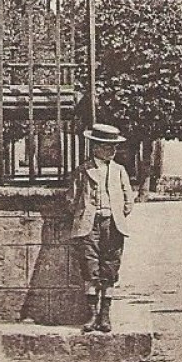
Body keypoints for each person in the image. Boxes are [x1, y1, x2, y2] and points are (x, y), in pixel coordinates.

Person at [68, 122, 134, 333]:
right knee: (90, 269)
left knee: (110, 269)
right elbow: (72, 198)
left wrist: (117, 214)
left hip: (113, 225)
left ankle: (105, 316)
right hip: (89, 225)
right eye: (107, 147)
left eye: (114, 147)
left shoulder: (119, 170)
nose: (112, 151)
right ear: (95, 147)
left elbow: (128, 198)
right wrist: (86, 214)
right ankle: (92, 315)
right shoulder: (83, 170)